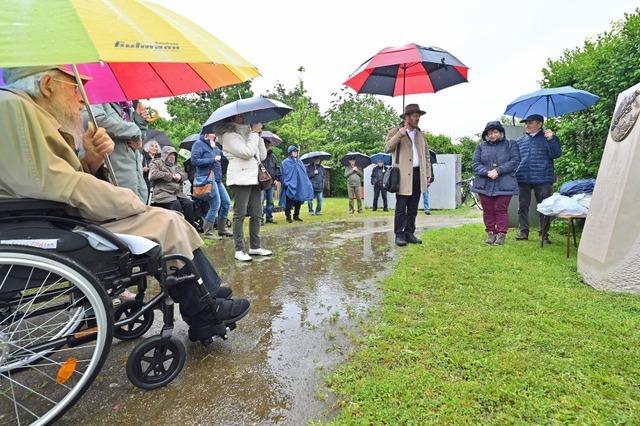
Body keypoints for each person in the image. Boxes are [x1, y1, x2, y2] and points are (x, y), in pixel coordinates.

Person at [0, 65, 249, 339]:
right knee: (165, 222)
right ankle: (204, 309)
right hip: (48, 226)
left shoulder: (30, 114)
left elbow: (52, 179)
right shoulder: (13, 107)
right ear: (47, 84)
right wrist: (126, 200)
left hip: (52, 218)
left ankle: (207, 292)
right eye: (75, 87)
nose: (82, 98)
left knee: (170, 219)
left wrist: (91, 159)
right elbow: (54, 184)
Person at [216, 115, 272, 262]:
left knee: (257, 213)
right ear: (232, 118)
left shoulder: (250, 132)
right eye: (239, 116)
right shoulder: (228, 135)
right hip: (240, 177)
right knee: (239, 214)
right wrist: (254, 133)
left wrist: (258, 135)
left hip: (254, 178)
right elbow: (247, 153)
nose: (243, 118)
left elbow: (263, 155)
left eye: (244, 115)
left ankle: (255, 246)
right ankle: (239, 249)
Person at [384, 104, 432, 247]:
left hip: (418, 174)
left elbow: (426, 155)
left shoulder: (420, 134)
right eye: (415, 116)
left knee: (413, 207)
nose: (418, 119)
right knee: (401, 207)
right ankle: (399, 234)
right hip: (403, 176)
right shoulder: (395, 131)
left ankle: (409, 233)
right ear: (406, 117)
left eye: (419, 116)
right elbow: (387, 148)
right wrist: (400, 134)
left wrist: (428, 173)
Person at [83, 101, 148, 203]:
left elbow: (138, 141)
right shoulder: (97, 98)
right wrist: (135, 129)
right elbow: (93, 120)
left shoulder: (128, 108)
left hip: (136, 185)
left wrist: (140, 121)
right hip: (116, 182)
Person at [472, 121, 521, 245]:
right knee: (487, 210)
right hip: (484, 183)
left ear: (501, 132)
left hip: (504, 184)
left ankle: (501, 235)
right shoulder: (480, 147)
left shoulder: (511, 144)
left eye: (495, 132)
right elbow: (475, 164)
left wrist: (498, 170)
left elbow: (515, 161)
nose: (492, 135)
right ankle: (490, 233)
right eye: (489, 133)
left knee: (501, 209)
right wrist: (487, 172)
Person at [514, 114, 562, 243]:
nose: (527, 125)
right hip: (523, 178)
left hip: (543, 179)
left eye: (530, 122)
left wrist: (551, 139)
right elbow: (515, 160)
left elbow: (556, 154)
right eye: (526, 123)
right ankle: (523, 232)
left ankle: (544, 234)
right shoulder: (520, 141)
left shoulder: (549, 138)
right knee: (522, 206)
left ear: (539, 124)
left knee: (545, 207)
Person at [191, 133, 232, 239]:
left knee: (226, 203)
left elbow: (224, 158)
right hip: (207, 178)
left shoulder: (216, 146)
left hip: (218, 180)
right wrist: (212, 159)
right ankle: (208, 232)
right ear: (206, 133)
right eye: (213, 132)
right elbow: (194, 161)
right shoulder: (198, 144)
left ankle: (222, 229)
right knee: (215, 204)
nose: (215, 134)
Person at [149, 145, 197, 228]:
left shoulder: (176, 165)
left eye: (174, 155)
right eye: (170, 154)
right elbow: (152, 175)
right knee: (176, 204)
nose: (173, 157)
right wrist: (170, 176)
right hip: (162, 192)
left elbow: (185, 175)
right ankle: (177, 228)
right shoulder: (156, 163)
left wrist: (180, 176)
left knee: (188, 203)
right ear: (165, 155)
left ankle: (190, 227)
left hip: (176, 193)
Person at [280, 146, 314, 223]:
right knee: (288, 201)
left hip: (299, 185)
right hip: (289, 185)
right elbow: (282, 174)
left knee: (298, 200)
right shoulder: (285, 162)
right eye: (294, 151)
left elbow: (303, 173)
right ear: (290, 153)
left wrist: (306, 183)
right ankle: (288, 216)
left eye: (296, 151)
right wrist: (285, 183)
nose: (296, 152)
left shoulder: (300, 162)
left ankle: (296, 216)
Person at [262, 140, 280, 224]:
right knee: (260, 201)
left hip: (271, 182)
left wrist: (276, 179)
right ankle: (260, 219)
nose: (267, 146)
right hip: (261, 183)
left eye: (268, 144)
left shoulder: (273, 156)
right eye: (265, 144)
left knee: (270, 201)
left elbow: (276, 169)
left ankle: (269, 217)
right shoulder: (259, 156)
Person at [422, 150, 437, 215]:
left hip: (425, 179)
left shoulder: (428, 162)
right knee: (425, 194)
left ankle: (426, 209)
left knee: (425, 194)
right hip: (421, 178)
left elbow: (431, 171)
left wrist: (430, 179)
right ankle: (426, 209)